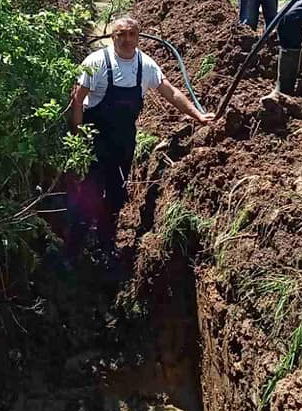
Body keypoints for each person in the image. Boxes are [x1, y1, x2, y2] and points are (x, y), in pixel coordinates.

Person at [68, 17, 214, 253]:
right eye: (120, 35)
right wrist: (77, 137)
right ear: (112, 37)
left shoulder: (145, 66)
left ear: (138, 37)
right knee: (90, 190)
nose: (126, 39)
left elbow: (170, 91)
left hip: (124, 140)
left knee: (116, 190)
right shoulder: (97, 62)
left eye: (131, 34)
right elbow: (77, 100)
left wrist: (197, 115)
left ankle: (107, 241)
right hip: (94, 138)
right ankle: (76, 244)